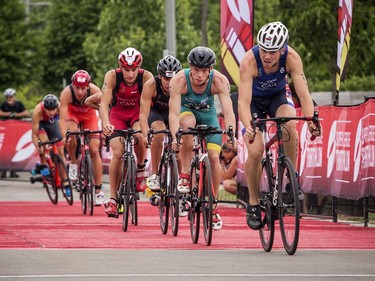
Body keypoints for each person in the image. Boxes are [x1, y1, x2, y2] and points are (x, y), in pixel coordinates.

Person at [238, 21, 321, 230]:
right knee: (256, 151)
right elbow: (243, 102)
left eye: (273, 52)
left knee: (289, 124)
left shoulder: (292, 58)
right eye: (264, 50)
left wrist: (311, 120)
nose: (267, 56)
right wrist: (249, 125)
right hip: (254, 103)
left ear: (282, 49)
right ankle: (254, 202)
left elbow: (303, 93)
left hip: (277, 96)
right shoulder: (249, 61)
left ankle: (291, 179)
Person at [169, 46, 237, 230]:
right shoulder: (179, 80)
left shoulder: (219, 81)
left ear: (210, 70)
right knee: (187, 126)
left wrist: (232, 133)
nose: (199, 75)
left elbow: (229, 111)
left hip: (209, 115)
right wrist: (176, 136)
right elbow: (174, 113)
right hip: (186, 112)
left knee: (214, 158)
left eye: (204, 71)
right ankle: (184, 174)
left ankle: (213, 206)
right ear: (190, 67)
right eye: (196, 70)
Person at [100, 47, 153, 218]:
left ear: (139, 68)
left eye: (133, 70)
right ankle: (114, 198)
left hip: (138, 115)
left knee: (139, 135)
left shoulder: (146, 77)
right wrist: (106, 123)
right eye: (126, 70)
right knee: (118, 153)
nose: (130, 74)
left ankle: (140, 168)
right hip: (118, 116)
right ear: (120, 68)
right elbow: (104, 103)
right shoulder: (112, 76)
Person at [59, 70, 105, 206]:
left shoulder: (95, 90)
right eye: (77, 88)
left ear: (88, 86)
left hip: (89, 115)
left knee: (94, 150)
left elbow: (103, 110)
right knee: (71, 134)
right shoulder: (66, 93)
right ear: (72, 86)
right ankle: (73, 162)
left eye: (83, 88)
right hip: (72, 116)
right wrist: (63, 135)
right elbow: (62, 118)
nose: (79, 92)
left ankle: (98, 190)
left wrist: (106, 126)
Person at [139, 55, 182, 192]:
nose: (170, 83)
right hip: (157, 113)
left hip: (175, 113)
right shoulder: (151, 85)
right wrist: (146, 135)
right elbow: (143, 115)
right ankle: (154, 174)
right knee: (159, 131)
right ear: (160, 76)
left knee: (180, 140)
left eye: (173, 78)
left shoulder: (183, 84)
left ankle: (183, 179)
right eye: (166, 78)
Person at [31, 94, 71, 196]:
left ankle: (66, 182)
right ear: (44, 108)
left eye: (54, 109)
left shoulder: (59, 108)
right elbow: (34, 135)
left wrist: (66, 136)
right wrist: (38, 146)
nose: (52, 112)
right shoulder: (37, 111)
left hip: (52, 123)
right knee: (44, 142)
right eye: (49, 110)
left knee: (61, 150)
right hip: (41, 125)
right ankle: (43, 164)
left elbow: (64, 125)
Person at [0, 88, 30, 178]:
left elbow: (26, 113)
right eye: (8, 97)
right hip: (6, 133)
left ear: (14, 96)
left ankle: (13, 171)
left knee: (14, 150)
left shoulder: (19, 104)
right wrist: (9, 114)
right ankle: (3, 171)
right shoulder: (3, 105)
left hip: (16, 132)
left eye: (11, 96)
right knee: (4, 150)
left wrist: (16, 115)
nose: (9, 98)